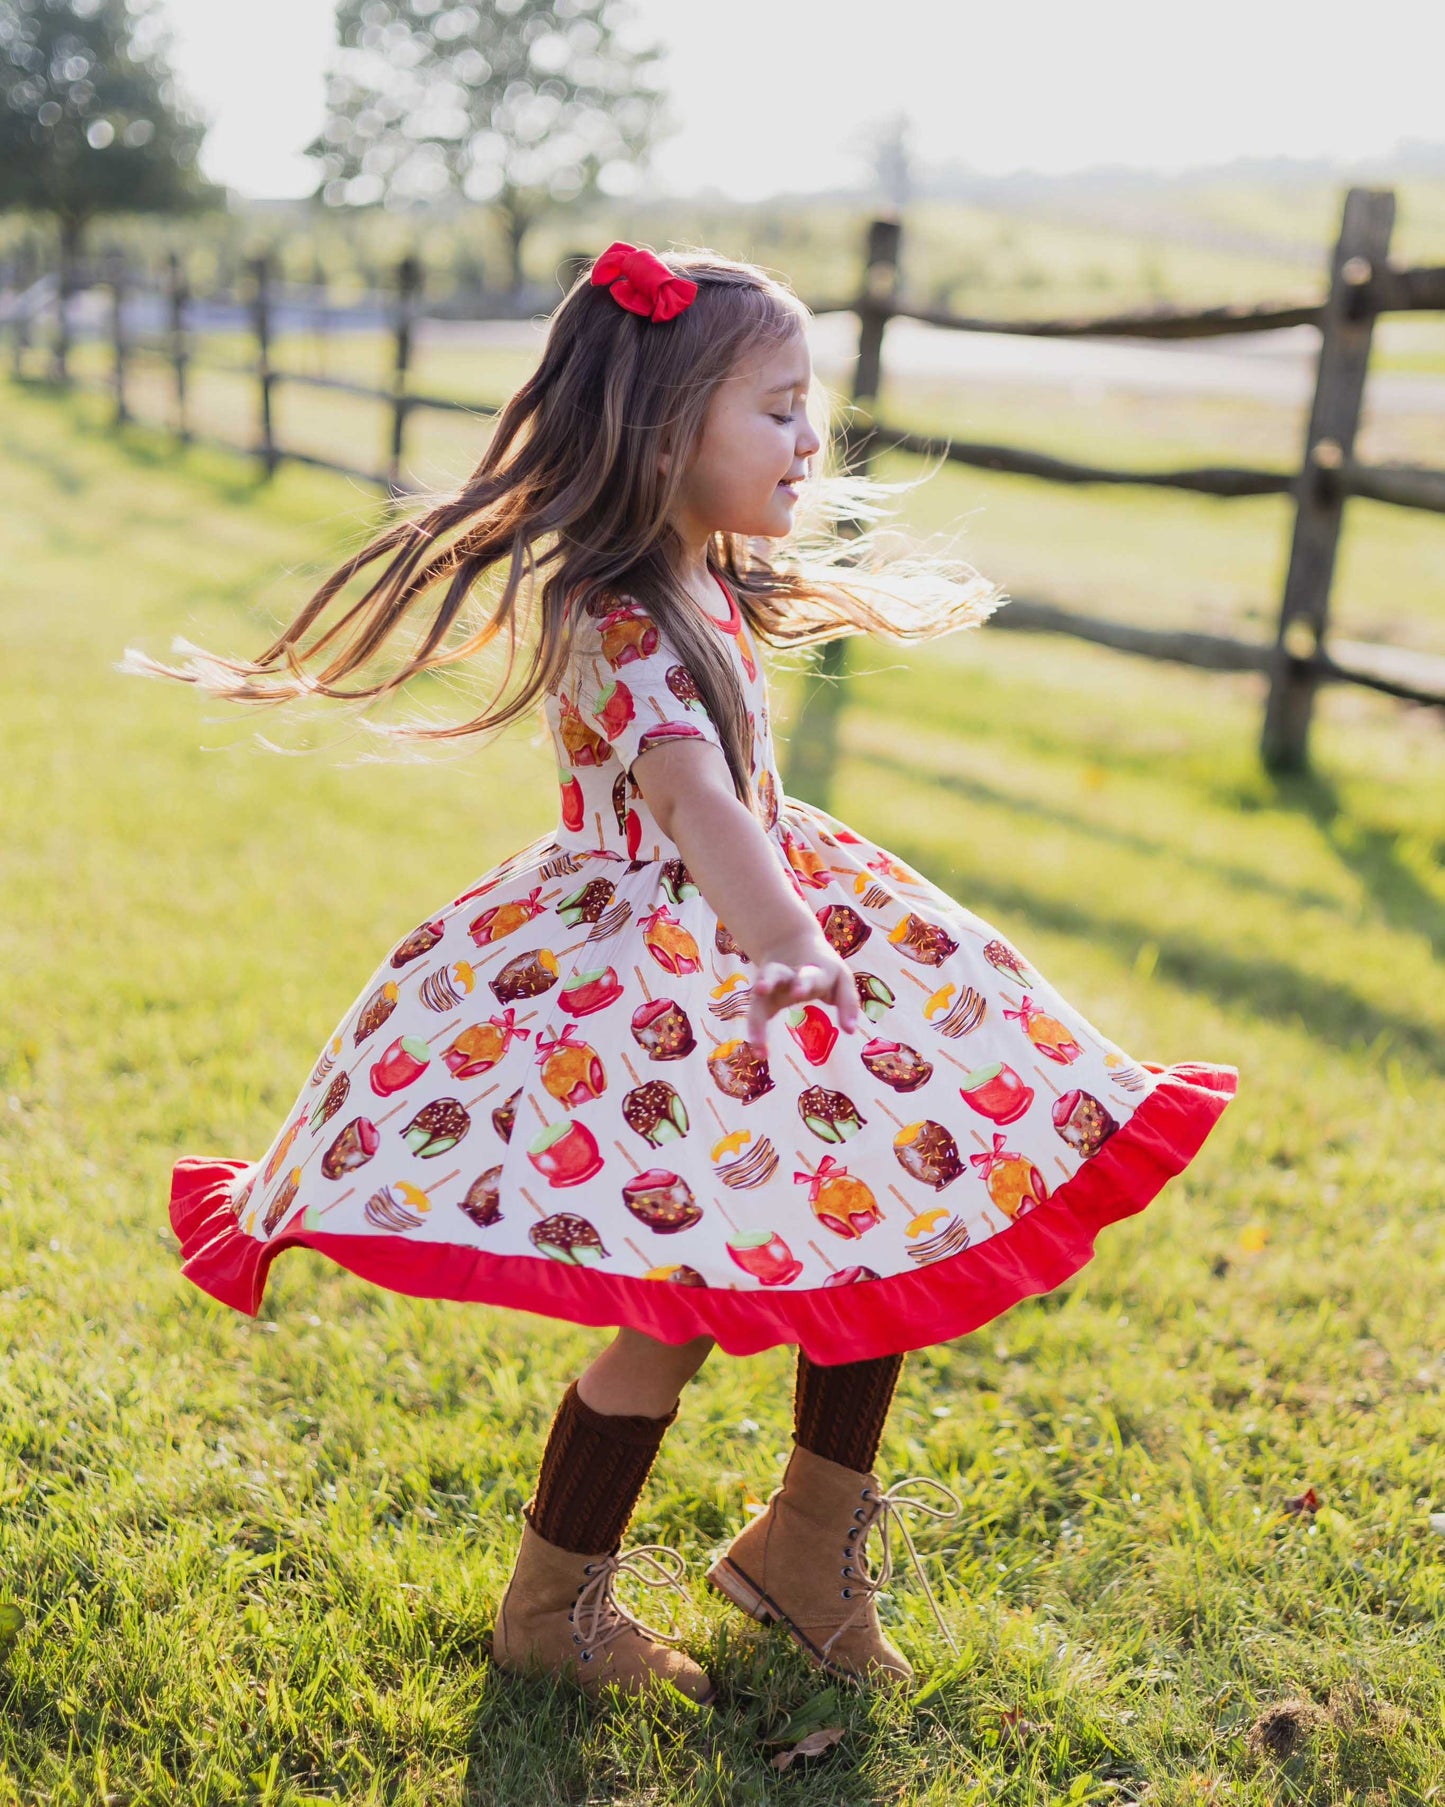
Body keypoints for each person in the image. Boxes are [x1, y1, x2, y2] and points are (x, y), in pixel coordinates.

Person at [125, 240, 1237, 1707]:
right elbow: (691, 797)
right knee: (673, 1307)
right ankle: (552, 1609)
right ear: (665, 435)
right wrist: (787, 941)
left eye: (809, 404)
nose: (809, 438)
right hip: (679, 983)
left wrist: (791, 930)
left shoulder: (697, 574)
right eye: (775, 407)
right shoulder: (620, 611)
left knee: (884, 1210)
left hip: (766, 939)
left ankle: (804, 1543)